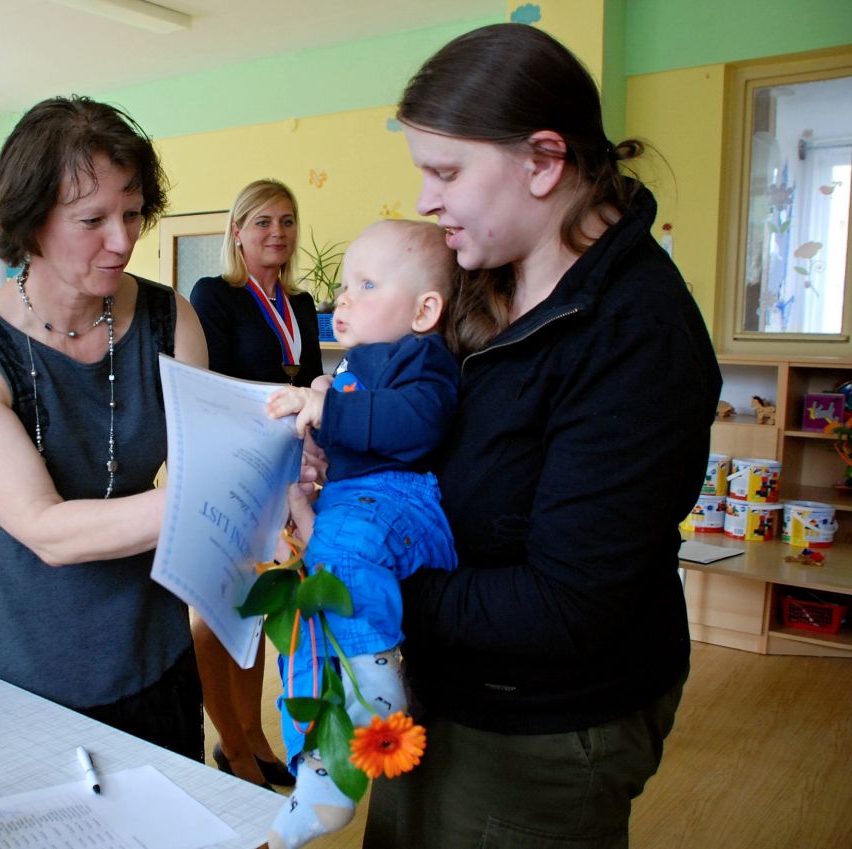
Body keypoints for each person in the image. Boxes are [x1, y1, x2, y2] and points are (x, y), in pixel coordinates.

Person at [323, 23, 720, 848]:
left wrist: (361, 577)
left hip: (540, 724)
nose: (426, 200)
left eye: (446, 172)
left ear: (543, 162)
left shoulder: (636, 336)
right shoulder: (485, 272)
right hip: (441, 687)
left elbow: (565, 605)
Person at [0, 96, 209, 760]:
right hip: (27, 642)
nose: (123, 240)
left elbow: (209, 459)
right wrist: (215, 496)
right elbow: (46, 529)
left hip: (150, 633)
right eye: (92, 219)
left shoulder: (172, 319)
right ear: (30, 224)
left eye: (132, 213)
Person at [264, 220, 460, 849]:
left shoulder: (419, 356)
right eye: (346, 285)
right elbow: (349, 439)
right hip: (357, 505)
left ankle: (378, 687)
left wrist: (332, 407)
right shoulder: (353, 364)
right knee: (303, 619)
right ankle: (319, 770)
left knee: (341, 560)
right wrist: (314, 445)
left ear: (424, 311)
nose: (344, 298)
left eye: (367, 285)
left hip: (403, 502)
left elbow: (420, 420)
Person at [187, 179, 323, 788]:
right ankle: (231, 743)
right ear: (237, 231)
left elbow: (312, 383)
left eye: (287, 221)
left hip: (283, 470)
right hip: (230, 467)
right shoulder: (214, 294)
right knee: (217, 609)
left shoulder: (302, 304)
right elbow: (211, 387)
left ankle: (255, 734)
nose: (277, 233)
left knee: (259, 605)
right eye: (263, 221)